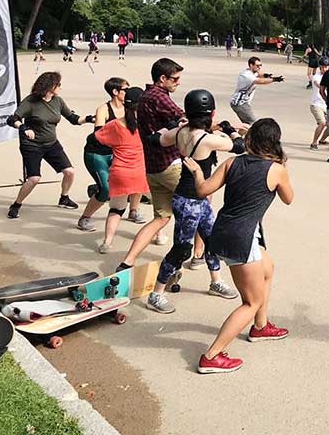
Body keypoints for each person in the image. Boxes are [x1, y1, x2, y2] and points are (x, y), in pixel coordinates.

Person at [188, 118, 294, 374]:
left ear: (250, 140)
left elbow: (203, 190)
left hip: (222, 232)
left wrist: (197, 172)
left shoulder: (232, 162)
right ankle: (211, 356)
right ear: (274, 143)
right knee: (251, 302)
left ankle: (261, 327)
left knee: (267, 267)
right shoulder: (276, 169)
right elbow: (288, 198)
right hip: (241, 239)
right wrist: (281, 166)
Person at [146, 89, 244, 314]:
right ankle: (156, 294)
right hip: (189, 201)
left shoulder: (181, 132)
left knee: (211, 240)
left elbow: (155, 139)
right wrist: (230, 129)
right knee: (181, 249)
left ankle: (215, 282)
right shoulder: (208, 140)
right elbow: (240, 147)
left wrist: (171, 124)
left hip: (195, 199)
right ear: (211, 113)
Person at [116, 59, 184, 270]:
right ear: (162, 78)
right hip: (169, 164)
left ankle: (127, 262)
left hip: (153, 168)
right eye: (175, 79)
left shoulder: (145, 96)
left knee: (161, 218)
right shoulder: (158, 96)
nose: (178, 83)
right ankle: (199, 256)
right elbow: (183, 116)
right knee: (200, 205)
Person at [6, 72, 94, 219]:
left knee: (69, 172)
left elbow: (73, 119)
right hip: (32, 146)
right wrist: (23, 128)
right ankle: (16, 204)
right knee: (34, 179)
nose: (60, 87)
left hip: (51, 143)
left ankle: (64, 198)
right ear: (49, 86)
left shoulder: (57, 101)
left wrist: (89, 119)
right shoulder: (31, 102)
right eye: (57, 84)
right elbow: (12, 119)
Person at [76, 78, 148, 232]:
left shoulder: (131, 110)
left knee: (138, 178)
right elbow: (99, 135)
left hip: (118, 154)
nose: (128, 93)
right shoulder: (103, 109)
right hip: (98, 154)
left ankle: (133, 211)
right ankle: (85, 218)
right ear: (115, 92)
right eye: (125, 90)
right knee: (106, 190)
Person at [92, 87, 150, 253]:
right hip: (140, 172)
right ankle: (159, 235)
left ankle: (107, 242)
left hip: (119, 173)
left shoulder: (115, 125)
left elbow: (97, 137)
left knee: (116, 209)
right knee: (160, 209)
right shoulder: (146, 125)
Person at [229, 57, 284, 125]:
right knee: (253, 123)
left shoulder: (253, 72)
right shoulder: (246, 75)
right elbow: (260, 81)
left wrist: (267, 75)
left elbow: (260, 74)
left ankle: (239, 135)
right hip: (239, 103)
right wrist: (274, 79)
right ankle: (234, 133)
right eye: (257, 66)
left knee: (247, 123)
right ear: (251, 65)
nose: (259, 67)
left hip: (243, 102)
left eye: (260, 65)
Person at [309, 57, 329, 149]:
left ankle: (322, 140)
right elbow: (318, 85)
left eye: (326, 67)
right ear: (320, 67)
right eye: (323, 67)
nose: (324, 69)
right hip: (316, 104)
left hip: (326, 104)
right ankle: (314, 143)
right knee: (322, 123)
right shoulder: (316, 76)